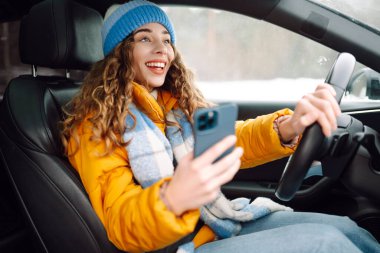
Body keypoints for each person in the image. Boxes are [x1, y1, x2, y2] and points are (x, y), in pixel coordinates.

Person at [61, 1, 380, 252]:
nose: (162, 49)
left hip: (215, 222)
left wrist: (288, 127)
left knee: (349, 231)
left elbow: (228, 142)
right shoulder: (94, 123)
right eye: (144, 38)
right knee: (327, 245)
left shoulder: (174, 103)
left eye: (167, 39)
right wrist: (172, 199)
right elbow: (121, 221)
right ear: (119, 53)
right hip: (176, 246)